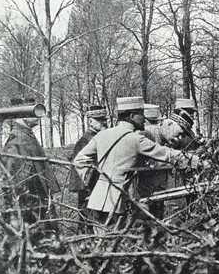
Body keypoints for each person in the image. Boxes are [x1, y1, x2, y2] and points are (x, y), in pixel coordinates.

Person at [73, 96, 205, 225]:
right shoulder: (136, 140)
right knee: (120, 241)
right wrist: (197, 161)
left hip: (98, 198)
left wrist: (92, 182)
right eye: (141, 114)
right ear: (131, 116)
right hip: (120, 201)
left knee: (102, 241)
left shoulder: (102, 135)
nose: (144, 118)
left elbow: (79, 160)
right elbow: (167, 154)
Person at [1, 97, 60, 225]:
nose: (38, 117)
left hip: (37, 203)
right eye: (34, 111)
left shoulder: (26, 135)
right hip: (30, 206)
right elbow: (18, 179)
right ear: (24, 114)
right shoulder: (18, 139)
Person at [68, 105, 108, 221]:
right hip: (89, 187)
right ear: (90, 121)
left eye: (104, 119)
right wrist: (87, 188)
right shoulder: (85, 140)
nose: (103, 122)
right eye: (99, 120)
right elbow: (79, 167)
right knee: (89, 219)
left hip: (100, 185)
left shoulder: (101, 137)